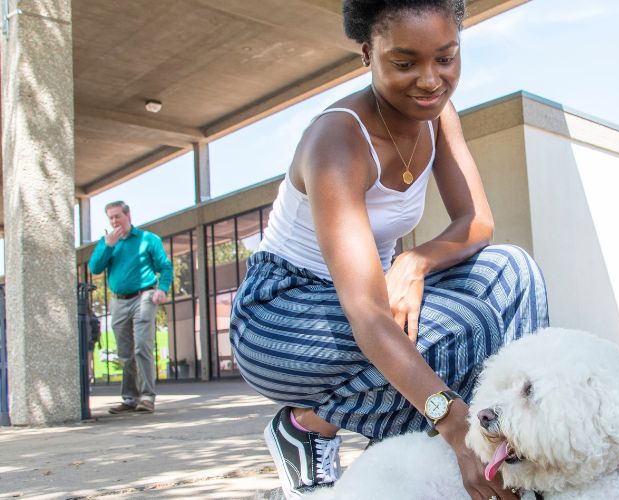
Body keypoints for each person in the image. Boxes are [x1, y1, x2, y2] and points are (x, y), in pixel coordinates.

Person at [230, 1, 549, 498]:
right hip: (282, 316)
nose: (430, 80)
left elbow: (477, 221)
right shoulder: (336, 139)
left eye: (445, 58)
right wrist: (456, 428)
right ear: (367, 55)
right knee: (464, 328)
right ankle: (314, 427)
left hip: (368, 295)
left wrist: (415, 260)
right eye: (405, 63)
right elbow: (371, 317)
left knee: (512, 269)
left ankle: (526, 439)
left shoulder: (439, 118)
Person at [89, 201, 173, 414]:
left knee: (141, 347)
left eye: (118, 216)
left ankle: (147, 397)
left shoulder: (147, 239)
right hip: (118, 300)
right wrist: (107, 246)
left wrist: (162, 289)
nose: (114, 221)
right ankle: (129, 398)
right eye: (111, 218)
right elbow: (94, 267)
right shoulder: (108, 242)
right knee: (125, 352)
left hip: (144, 295)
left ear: (128, 215)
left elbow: (165, 266)